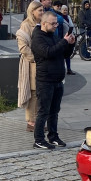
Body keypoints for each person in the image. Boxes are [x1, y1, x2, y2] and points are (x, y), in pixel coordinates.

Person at [30, 10, 75, 150]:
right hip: (45, 80)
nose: (56, 25)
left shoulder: (53, 35)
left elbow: (63, 53)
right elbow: (48, 52)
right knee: (44, 111)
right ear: (44, 23)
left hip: (57, 80)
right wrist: (63, 42)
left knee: (54, 111)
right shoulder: (38, 37)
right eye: (53, 23)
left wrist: (70, 44)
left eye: (57, 23)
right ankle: (38, 139)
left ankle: (53, 136)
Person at [16, 0, 43, 132]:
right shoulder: (26, 25)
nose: (42, 12)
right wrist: (35, 58)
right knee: (32, 93)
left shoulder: (41, 24)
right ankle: (31, 122)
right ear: (33, 11)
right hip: (30, 64)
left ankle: (37, 120)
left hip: (40, 63)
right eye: (40, 10)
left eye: (43, 10)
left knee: (38, 93)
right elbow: (23, 46)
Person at [59, 4, 77, 76]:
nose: (65, 11)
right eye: (64, 10)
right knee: (63, 55)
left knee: (68, 55)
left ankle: (69, 69)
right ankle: (62, 69)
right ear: (61, 10)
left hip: (70, 38)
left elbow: (72, 25)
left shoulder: (69, 17)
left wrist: (74, 34)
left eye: (66, 10)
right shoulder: (60, 18)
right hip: (64, 38)